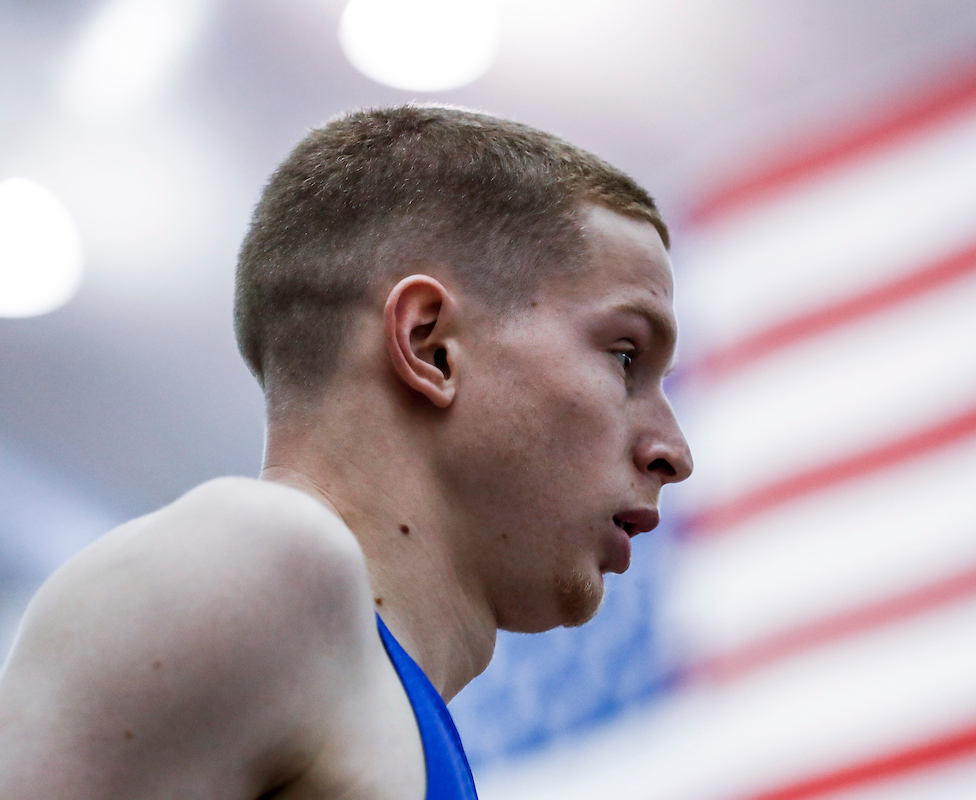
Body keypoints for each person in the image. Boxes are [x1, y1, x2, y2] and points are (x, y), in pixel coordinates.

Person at [0, 105, 692, 799]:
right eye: (625, 357)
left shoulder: (379, 712)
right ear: (431, 347)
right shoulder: (260, 563)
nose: (673, 452)